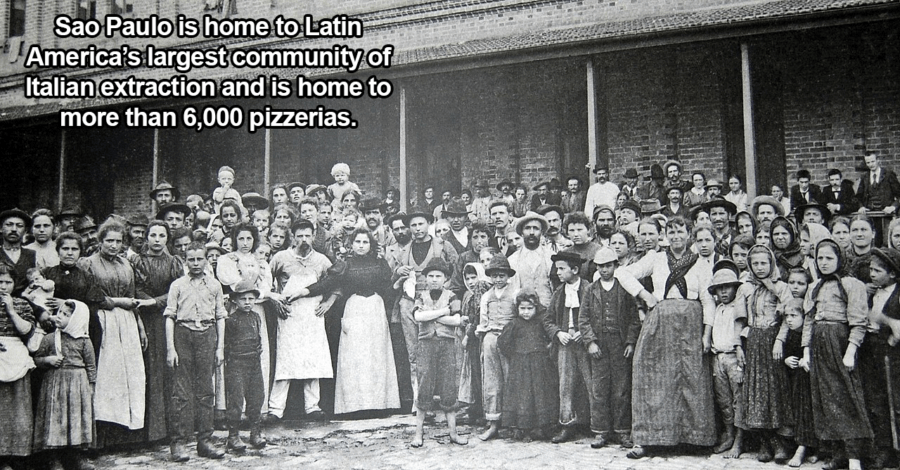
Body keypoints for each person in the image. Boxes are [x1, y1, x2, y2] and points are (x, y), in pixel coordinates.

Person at [613, 216, 717, 459]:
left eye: (681, 231)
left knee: (691, 379)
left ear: (688, 234)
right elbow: (622, 274)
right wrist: (646, 296)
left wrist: (706, 333)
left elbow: (707, 300)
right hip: (660, 322)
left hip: (691, 323)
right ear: (665, 235)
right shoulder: (656, 258)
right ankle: (648, 439)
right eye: (671, 231)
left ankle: (693, 439)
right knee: (653, 376)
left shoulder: (700, 263)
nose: (676, 236)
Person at [297, 228, 400, 414]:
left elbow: (388, 287)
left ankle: (379, 405)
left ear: (371, 245)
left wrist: (397, 281)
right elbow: (327, 282)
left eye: (365, 242)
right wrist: (304, 291)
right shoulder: (345, 264)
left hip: (375, 310)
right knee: (356, 357)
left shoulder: (380, 263)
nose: (361, 246)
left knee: (376, 356)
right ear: (351, 244)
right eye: (358, 242)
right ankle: (355, 406)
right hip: (355, 309)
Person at [801, 239, 873, 470]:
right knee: (825, 399)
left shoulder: (852, 284)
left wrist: (851, 351)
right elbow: (809, 320)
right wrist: (806, 350)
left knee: (846, 398)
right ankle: (838, 454)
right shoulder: (815, 287)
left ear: (840, 259)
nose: (823, 263)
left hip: (839, 343)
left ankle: (854, 457)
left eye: (829, 258)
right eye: (820, 258)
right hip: (818, 346)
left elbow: (858, 322)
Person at [83, 220, 150, 446]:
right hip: (103, 321)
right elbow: (91, 296)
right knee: (108, 378)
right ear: (100, 241)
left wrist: (139, 326)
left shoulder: (126, 264)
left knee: (130, 376)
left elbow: (133, 297)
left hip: (128, 323)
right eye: (109, 241)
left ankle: (125, 435)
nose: (113, 245)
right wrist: (118, 301)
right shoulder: (88, 264)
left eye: (118, 241)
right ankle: (101, 438)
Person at [163, 242, 227, 461]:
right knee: (180, 392)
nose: (196, 263)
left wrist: (220, 347)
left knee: (206, 390)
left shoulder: (215, 285)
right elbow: (170, 317)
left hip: (207, 335)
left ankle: (205, 441)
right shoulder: (177, 285)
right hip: (183, 334)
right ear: (185, 260)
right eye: (191, 259)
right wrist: (171, 348)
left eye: (200, 259)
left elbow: (220, 316)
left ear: (206, 260)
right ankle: (178, 443)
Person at [267, 220, 336, 421]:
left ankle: (312, 406)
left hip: (312, 316)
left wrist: (329, 303)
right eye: (299, 236)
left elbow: (336, 284)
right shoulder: (281, 258)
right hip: (289, 315)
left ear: (313, 236)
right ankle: (275, 409)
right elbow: (265, 281)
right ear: (293, 236)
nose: (304, 240)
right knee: (286, 361)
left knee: (312, 360)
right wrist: (275, 301)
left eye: (307, 235)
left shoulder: (322, 260)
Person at [578, 247, 640, 448]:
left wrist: (630, 342)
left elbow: (633, 318)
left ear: (616, 265)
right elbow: (583, 319)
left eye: (608, 266)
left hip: (619, 344)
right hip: (599, 344)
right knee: (599, 389)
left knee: (621, 389)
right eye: (600, 266)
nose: (604, 270)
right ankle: (600, 431)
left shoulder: (624, 289)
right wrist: (591, 342)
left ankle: (622, 430)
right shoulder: (590, 290)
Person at [132, 220, 185, 442]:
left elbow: (177, 290)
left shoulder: (174, 262)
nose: (156, 240)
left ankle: (172, 430)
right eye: (152, 235)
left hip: (168, 319)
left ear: (167, 239)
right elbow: (136, 288)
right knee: (149, 372)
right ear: (146, 238)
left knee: (169, 371)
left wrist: (155, 302)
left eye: (161, 236)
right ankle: (150, 432)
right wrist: (146, 302)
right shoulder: (139, 262)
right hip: (145, 320)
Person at [216, 224, 275, 418]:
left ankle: (258, 410)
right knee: (234, 358)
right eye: (241, 239)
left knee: (258, 355)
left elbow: (266, 288)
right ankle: (232, 411)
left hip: (256, 310)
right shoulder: (227, 260)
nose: (245, 243)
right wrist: (249, 285)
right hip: (235, 310)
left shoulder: (261, 261)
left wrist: (257, 293)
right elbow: (234, 285)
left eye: (249, 239)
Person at [740, 245, 792, 463]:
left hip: (773, 342)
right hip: (754, 341)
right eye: (755, 264)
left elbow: (788, 317)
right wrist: (738, 345)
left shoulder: (781, 287)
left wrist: (779, 340)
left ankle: (780, 443)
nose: (760, 268)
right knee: (757, 390)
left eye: (764, 263)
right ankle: (765, 441)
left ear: (771, 264)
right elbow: (741, 318)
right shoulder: (748, 288)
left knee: (774, 390)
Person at [410, 258, 467, 448]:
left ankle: (453, 433)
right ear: (426, 278)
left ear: (446, 279)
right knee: (424, 383)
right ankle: (418, 434)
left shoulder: (453, 296)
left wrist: (433, 315)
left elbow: (457, 320)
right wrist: (444, 312)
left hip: (447, 345)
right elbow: (418, 316)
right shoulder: (420, 295)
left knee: (448, 385)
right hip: (426, 345)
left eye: (438, 276)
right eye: (431, 276)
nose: (434, 279)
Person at [32, 300, 95, 470]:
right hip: (55, 386)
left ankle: (76, 457)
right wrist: (47, 360)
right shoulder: (50, 338)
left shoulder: (84, 341)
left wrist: (91, 387)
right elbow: (36, 360)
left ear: (77, 319)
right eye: (59, 312)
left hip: (77, 386)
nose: (60, 316)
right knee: (56, 420)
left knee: (76, 421)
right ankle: (54, 459)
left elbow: (90, 366)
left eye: (66, 315)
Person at [543, 251, 591, 444]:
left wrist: (585, 333)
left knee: (591, 382)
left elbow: (597, 315)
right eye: (557, 268)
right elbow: (547, 320)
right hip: (565, 344)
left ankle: (596, 425)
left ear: (575, 269)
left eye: (562, 268)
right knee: (566, 384)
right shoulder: (559, 292)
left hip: (586, 343)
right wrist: (558, 333)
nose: (558, 272)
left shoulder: (589, 288)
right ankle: (567, 424)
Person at [497, 288, 558, 442]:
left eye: (529, 308)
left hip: (540, 365)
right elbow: (503, 342)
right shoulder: (514, 324)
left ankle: (541, 427)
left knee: (540, 395)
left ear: (536, 308)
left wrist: (544, 351)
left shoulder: (541, 322)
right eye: (522, 308)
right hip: (520, 365)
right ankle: (522, 428)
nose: (525, 312)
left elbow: (548, 339)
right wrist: (516, 355)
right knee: (522, 396)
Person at [476, 254, 518, 441]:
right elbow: (483, 320)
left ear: (508, 276)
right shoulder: (487, 296)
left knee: (511, 378)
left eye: (502, 275)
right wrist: (484, 334)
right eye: (495, 275)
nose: (498, 279)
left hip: (509, 339)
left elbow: (519, 317)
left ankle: (513, 423)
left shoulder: (516, 293)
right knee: (492, 381)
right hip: (491, 338)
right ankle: (493, 423)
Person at [705, 265, 746, 457]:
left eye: (727, 287)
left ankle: (739, 440)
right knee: (724, 400)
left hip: (733, 357)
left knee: (738, 398)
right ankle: (729, 436)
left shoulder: (739, 308)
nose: (723, 292)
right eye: (719, 288)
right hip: (718, 357)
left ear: (735, 288)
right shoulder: (718, 308)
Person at [0, 262, 37, 468]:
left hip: (16, 356)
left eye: (8, 282)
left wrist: (11, 310)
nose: (3, 286)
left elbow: (26, 331)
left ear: (14, 284)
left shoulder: (22, 304)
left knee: (17, 412)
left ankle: (17, 456)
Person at [224, 288, 268, 453]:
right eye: (243, 299)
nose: (248, 302)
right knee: (236, 400)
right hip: (237, 364)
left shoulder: (256, 317)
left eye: (251, 299)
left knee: (257, 398)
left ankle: (255, 433)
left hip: (254, 363)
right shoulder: (231, 320)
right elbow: (226, 345)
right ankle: (233, 436)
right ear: (235, 300)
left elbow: (258, 339)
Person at [781, 298, 817, 468]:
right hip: (793, 380)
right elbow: (785, 353)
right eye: (787, 316)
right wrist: (786, 359)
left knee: (805, 410)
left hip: (807, 381)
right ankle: (800, 446)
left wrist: (805, 360)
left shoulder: (809, 335)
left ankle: (804, 449)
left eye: (794, 315)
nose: (789, 319)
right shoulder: (789, 334)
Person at [509, 212, 554, 307]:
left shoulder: (551, 257)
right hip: (524, 313)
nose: (532, 232)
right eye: (527, 228)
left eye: (536, 228)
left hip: (548, 312)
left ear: (541, 232)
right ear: (521, 232)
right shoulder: (513, 260)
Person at [0, 208, 36, 297]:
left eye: (19, 225)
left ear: (25, 231)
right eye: (9, 225)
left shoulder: (31, 255)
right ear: (0, 228)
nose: (14, 229)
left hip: (25, 305)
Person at [771, 217, 804, 282]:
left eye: (784, 233)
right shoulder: (770, 256)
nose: (780, 237)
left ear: (792, 235)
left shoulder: (803, 256)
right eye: (776, 234)